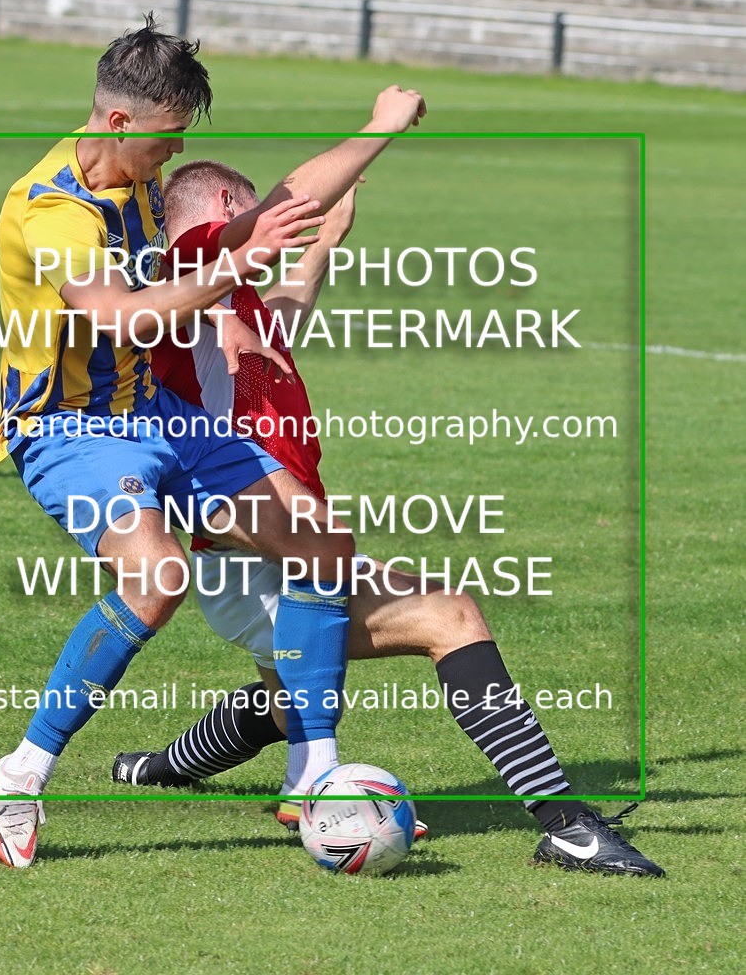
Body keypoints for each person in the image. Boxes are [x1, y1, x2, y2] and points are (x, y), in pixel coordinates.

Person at [112, 160, 665, 878]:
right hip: (252, 561)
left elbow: (291, 299)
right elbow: (255, 235)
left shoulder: (240, 311)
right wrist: (372, 135)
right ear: (225, 206)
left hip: (267, 559)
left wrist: (328, 236)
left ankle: (158, 768)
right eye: (253, 212)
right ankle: (564, 823)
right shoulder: (186, 277)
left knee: (285, 702)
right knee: (449, 617)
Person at [0, 15, 428, 868]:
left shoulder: (135, 175)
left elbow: (260, 216)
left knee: (322, 546)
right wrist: (236, 260)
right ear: (118, 124)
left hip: (159, 411)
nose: (173, 158)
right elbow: (120, 314)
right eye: (166, 142)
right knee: (158, 581)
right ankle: (21, 773)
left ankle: (315, 775)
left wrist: (367, 138)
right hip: (72, 426)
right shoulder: (53, 216)